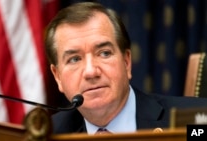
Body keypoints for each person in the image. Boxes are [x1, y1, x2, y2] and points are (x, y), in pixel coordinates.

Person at [44, 2, 207, 134]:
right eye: (74, 59)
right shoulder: (47, 134)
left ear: (127, 62)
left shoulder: (196, 121)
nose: (91, 72)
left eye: (104, 53)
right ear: (57, 77)